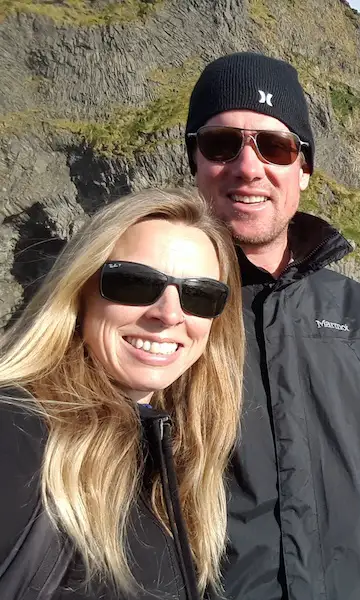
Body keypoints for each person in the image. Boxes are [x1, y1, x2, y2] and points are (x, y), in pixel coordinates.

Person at [185, 52, 360, 599]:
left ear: (304, 167)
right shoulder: (168, 307)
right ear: (195, 161)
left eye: (275, 146)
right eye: (222, 143)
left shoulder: (354, 307)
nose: (249, 168)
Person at [0, 189, 244, 599]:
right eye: (133, 283)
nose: (169, 313)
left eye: (199, 295)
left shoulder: (175, 454)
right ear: (79, 290)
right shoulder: (17, 430)